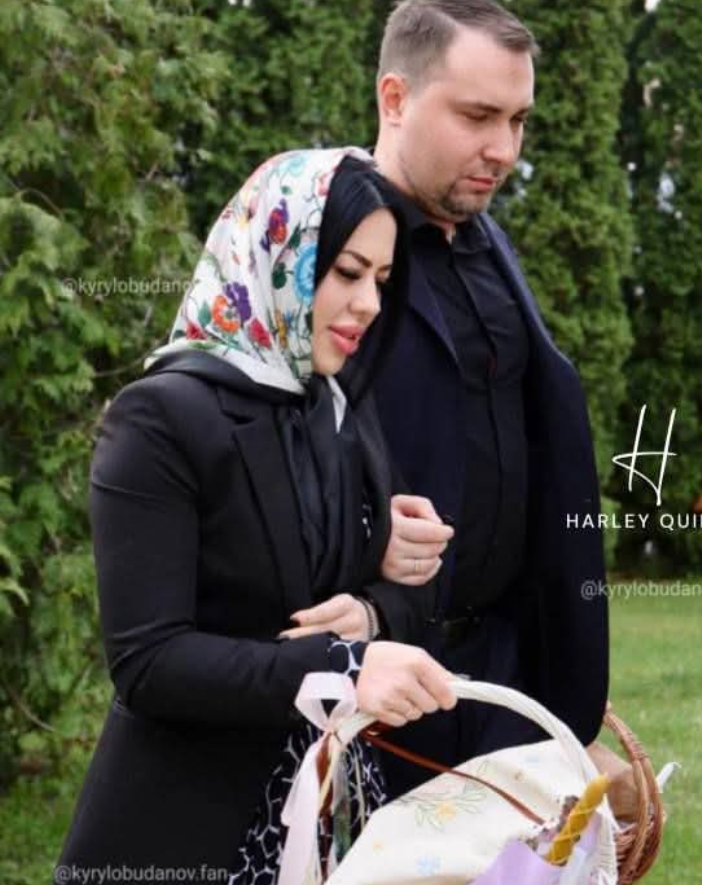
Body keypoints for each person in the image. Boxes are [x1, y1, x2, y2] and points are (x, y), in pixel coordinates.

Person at [53, 147, 457, 885]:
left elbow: (403, 592)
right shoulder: (160, 419)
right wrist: (343, 667)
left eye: (380, 280)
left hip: (327, 821)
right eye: (347, 273)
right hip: (189, 831)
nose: (369, 304)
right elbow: (149, 662)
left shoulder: (336, 405)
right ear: (278, 257)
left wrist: (372, 612)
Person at [356, 0, 611, 796]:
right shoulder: (326, 247)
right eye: (476, 117)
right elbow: (244, 448)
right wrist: (360, 545)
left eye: (518, 120)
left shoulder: (486, 239)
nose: (503, 149)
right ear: (395, 99)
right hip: (383, 683)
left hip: (504, 677)